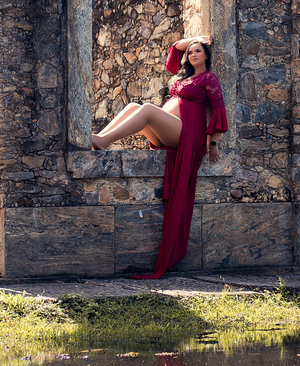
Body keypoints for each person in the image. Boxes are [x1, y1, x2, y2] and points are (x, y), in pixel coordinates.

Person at [91, 35, 227, 279]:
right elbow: (176, 49)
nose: (192, 54)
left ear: (207, 55)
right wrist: (194, 38)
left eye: (198, 51)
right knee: (134, 106)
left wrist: (214, 144)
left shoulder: (209, 78)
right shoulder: (186, 77)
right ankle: (99, 138)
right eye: (191, 52)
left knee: (147, 110)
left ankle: (103, 141)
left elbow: (219, 111)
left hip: (189, 137)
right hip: (171, 134)